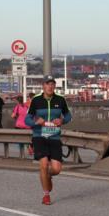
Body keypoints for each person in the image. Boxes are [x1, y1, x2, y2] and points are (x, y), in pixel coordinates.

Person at [25, 76, 72, 205]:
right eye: (47, 84)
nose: (50, 86)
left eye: (52, 84)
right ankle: (46, 195)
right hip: (39, 137)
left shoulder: (61, 100)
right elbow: (27, 119)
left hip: (55, 137)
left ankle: (48, 176)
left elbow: (68, 116)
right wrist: (36, 122)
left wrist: (62, 120)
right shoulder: (36, 100)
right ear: (43, 86)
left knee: (56, 169)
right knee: (44, 164)